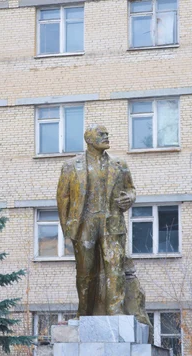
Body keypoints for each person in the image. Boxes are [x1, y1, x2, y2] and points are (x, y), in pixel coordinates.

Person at [56, 124, 136, 316]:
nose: (107, 136)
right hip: (85, 224)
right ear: (89, 140)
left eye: (107, 134)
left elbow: (131, 188)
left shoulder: (120, 164)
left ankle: (115, 312)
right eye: (102, 134)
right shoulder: (70, 166)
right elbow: (62, 198)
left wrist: (131, 197)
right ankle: (84, 310)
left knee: (115, 268)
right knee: (85, 272)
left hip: (112, 222)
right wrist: (67, 228)